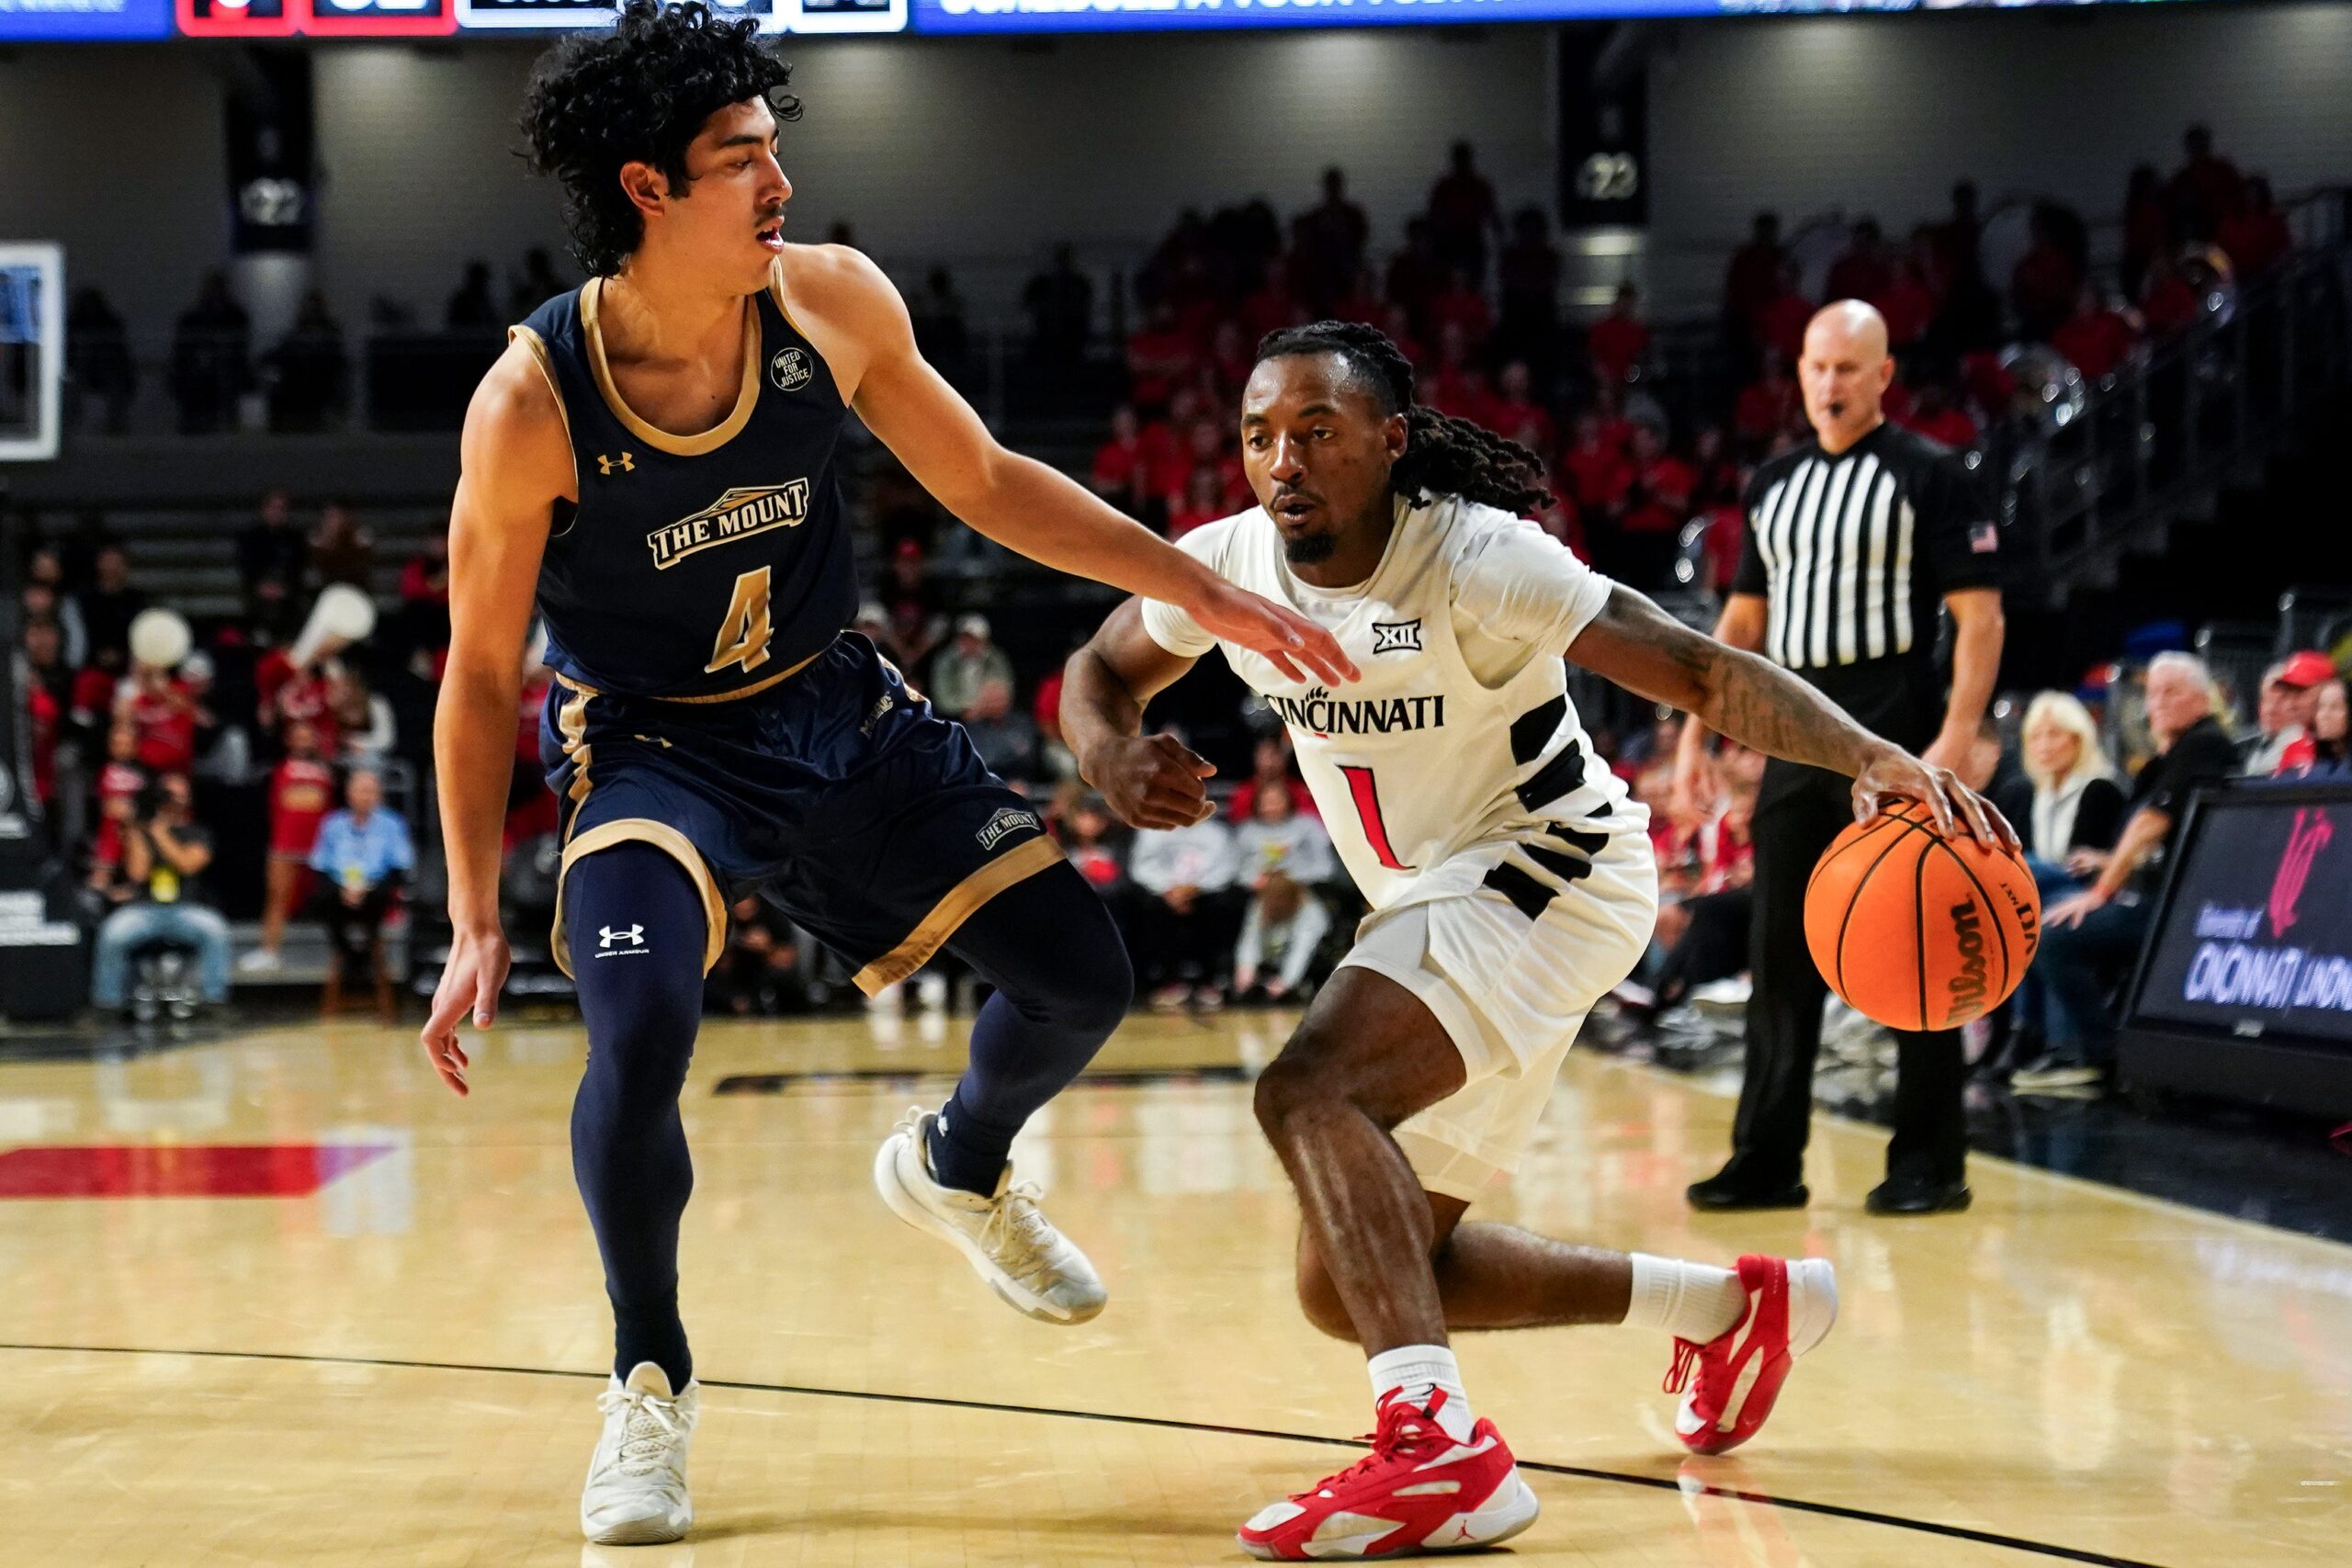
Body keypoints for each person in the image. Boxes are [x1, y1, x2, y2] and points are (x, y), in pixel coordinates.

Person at [417, 6, 1352, 1548]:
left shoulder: (829, 301)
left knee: (1080, 977)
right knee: (638, 1022)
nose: (780, 182)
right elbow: (475, 669)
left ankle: (958, 1163)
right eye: (741, 160)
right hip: (654, 744)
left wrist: (1195, 586)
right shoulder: (533, 403)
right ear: (646, 187)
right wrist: (469, 908)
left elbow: (986, 482)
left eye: (778, 149)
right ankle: (647, 1380)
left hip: (835, 711)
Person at [1061, 320, 2007, 1561]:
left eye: (1316, 431)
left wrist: (1876, 754)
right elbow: (1098, 667)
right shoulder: (1228, 565)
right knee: (1351, 1275)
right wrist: (1110, 753)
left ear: (1390, 443)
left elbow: (1703, 671)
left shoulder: (1480, 558)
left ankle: (1438, 1449)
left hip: (1553, 861)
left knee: (1308, 1087)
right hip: (1433, 900)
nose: (1280, 459)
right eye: (1258, 436)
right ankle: (1734, 1307)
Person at [1673, 299, 2007, 1217]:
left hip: (1898, 719)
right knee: (1777, 952)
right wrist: (1697, 733)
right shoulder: (1771, 484)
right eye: (1817, 367)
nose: (1829, 383)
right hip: (1793, 728)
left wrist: (1953, 737)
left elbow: (1980, 617)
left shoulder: (1931, 474)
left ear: (1883, 377)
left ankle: (1929, 1163)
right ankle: (1766, 1160)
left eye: (1848, 368)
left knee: (1920, 944)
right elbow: (1740, 626)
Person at [2017, 654, 2239, 1092]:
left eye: (2171, 692)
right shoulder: (2168, 757)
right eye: (2152, 693)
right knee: (2028, 902)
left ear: (2203, 697)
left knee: (2053, 929)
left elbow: (2150, 825)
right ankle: (2035, 1039)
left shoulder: (2207, 742)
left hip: (2178, 908)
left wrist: (2100, 890)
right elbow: (2139, 838)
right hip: (2149, 891)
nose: (2157, 702)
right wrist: (2106, 863)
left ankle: (2091, 1051)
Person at [89, 773, 232, 1016]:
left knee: (215, 930)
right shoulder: (141, 830)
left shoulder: (197, 832)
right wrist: (135, 828)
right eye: (170, 795)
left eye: (181, 795)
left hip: (185, 908)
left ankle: (213, 1000)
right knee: (112, 934)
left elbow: (188, 864)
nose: (176, 801)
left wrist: (160, 831)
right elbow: (137, 873)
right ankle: (108, 1003)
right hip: (145, 909)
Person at [310, 768, 415, 988]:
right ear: (349, 793)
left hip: (376, 887)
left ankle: (366, 953)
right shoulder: (332, 824)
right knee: (321, 898)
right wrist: (344, 888)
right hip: (340, 887)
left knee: (382, 896)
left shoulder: (392, 824)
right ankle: (348, 954)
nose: (365, 796)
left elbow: (400, 864)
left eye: (370, 791)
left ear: (379, 795)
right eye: (360, 791)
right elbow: (320, 862)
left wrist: (366, 888)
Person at [2236, 651, 2331, 776]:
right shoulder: (2294, 744)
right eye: (2289, 693)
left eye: (2300, 691)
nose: (2291, 703)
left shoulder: (2338, 745)